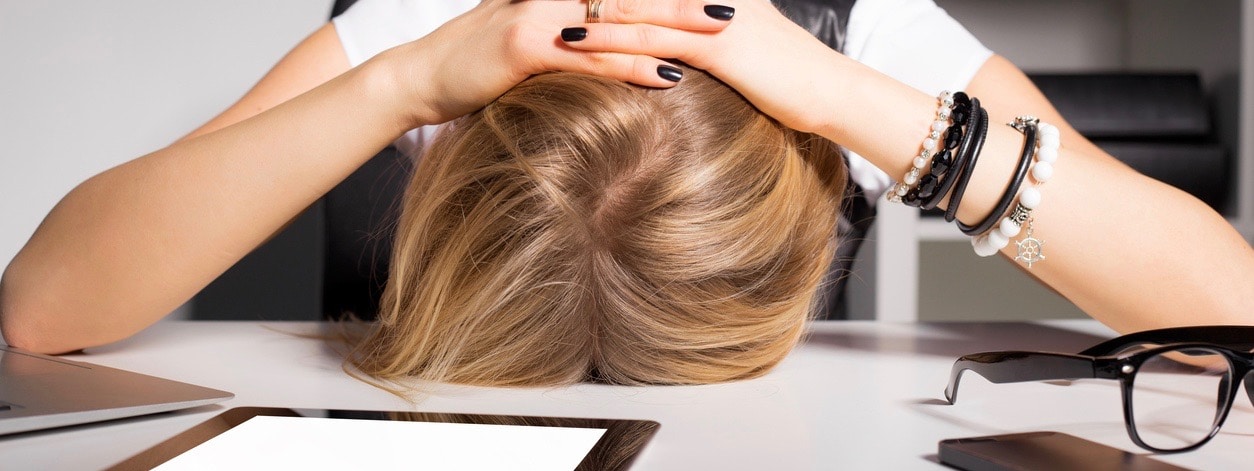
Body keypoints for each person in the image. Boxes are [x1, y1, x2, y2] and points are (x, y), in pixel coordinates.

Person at [1, 0, 1251, 374]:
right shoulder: (436, 16)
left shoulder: (860, 36)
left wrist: (844, 94)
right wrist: (401, 78)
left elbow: (1232, 315)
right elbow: (45, 308)